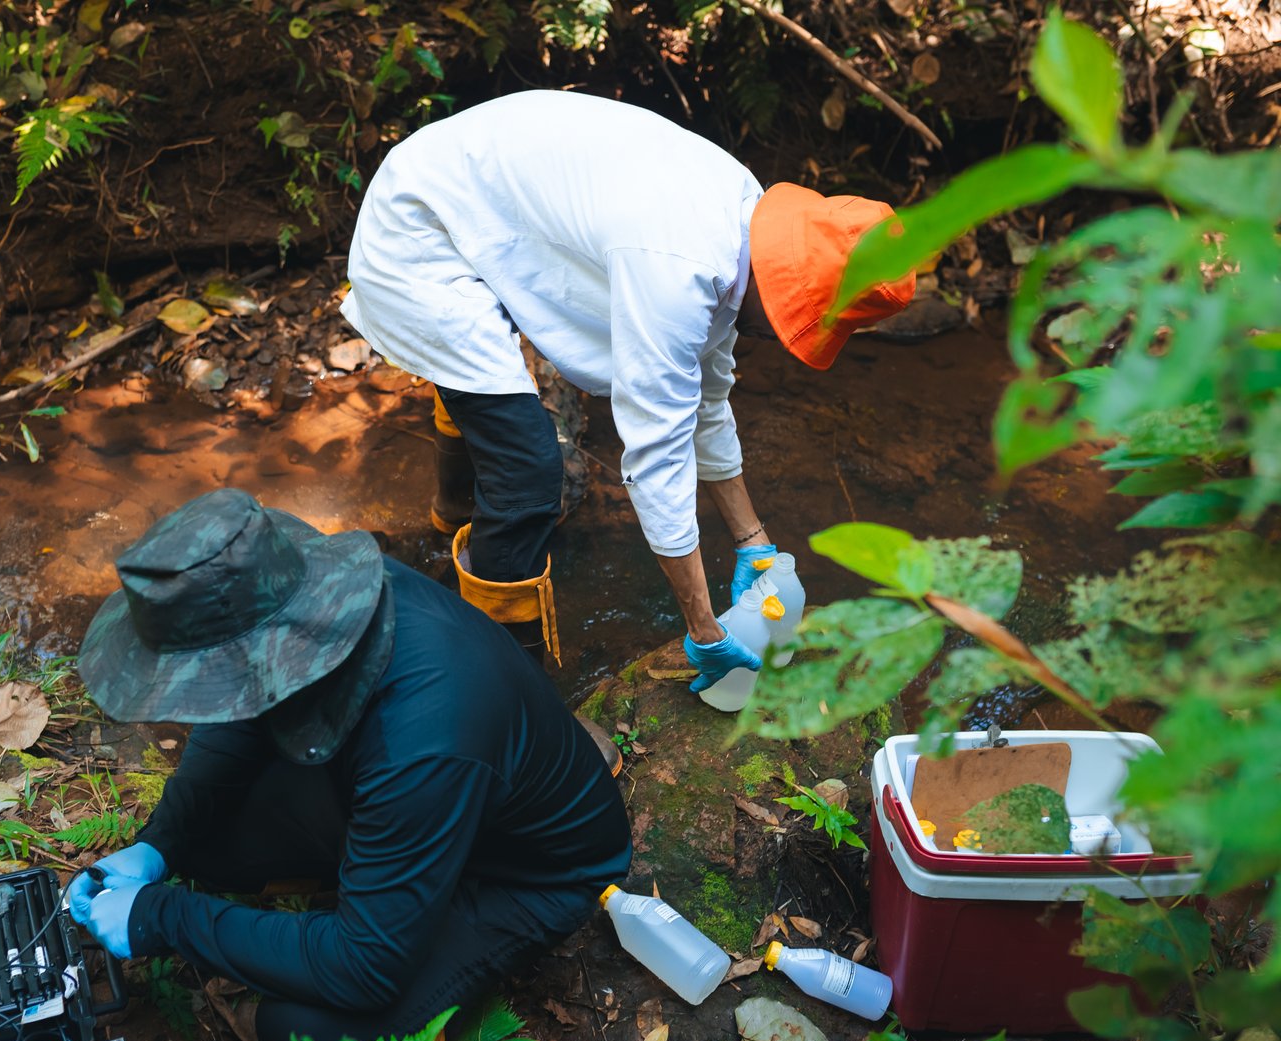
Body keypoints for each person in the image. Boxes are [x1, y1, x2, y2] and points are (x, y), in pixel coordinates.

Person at [341, 89, 915, 687]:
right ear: (777, 288)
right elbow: (655, 455)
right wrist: (703, 627)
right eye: (798, 321)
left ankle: (458, 514)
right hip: (423, 228)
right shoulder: (679, 267)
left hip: (486, 204)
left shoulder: (745, 224)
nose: (784, 337)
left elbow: (705, 401)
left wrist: (753, 541)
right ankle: (509, 696)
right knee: (530, 478)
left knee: (500, 420)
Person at [66, 489, 632, 1041]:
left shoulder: (424, 740)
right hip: (406, 782)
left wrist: (164, 917)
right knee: (202, 846)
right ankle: (382, 880)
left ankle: (409, 929)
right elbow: (241, 704)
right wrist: (161, 842)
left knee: (300, 1033)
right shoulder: (313, 596)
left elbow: (364, 969)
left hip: (525, 877)